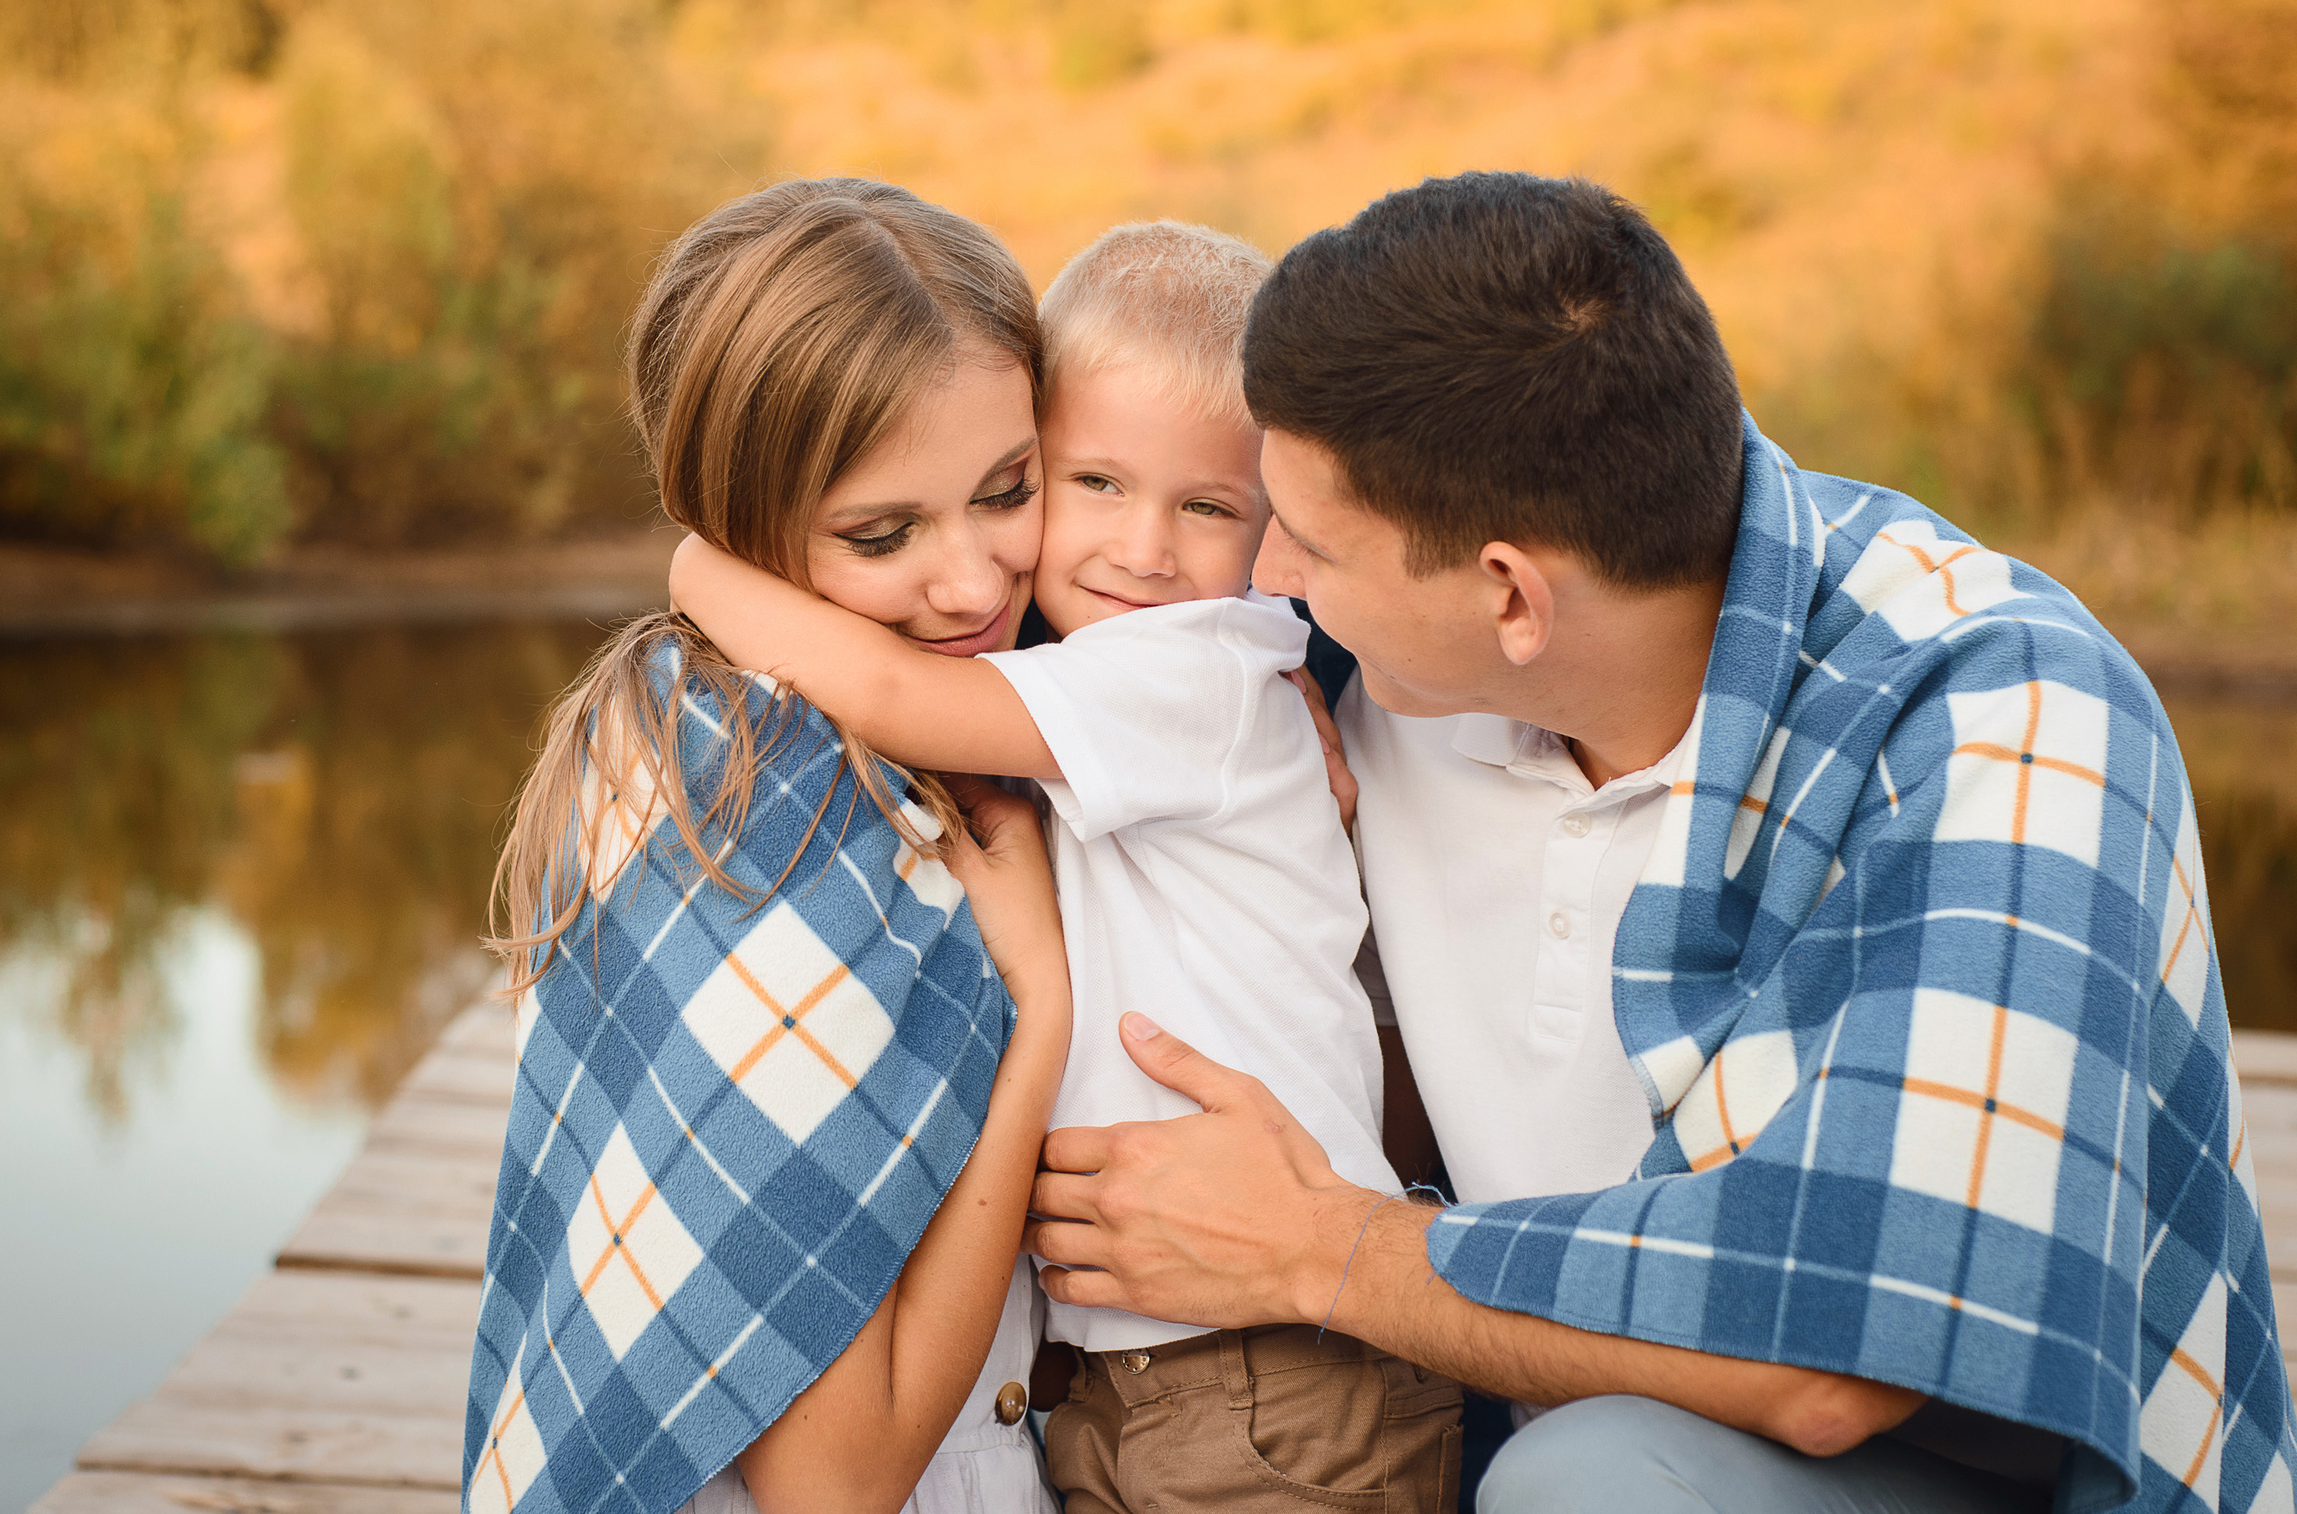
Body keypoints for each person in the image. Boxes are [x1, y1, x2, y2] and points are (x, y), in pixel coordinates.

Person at [1025, 172, 2297, 1513]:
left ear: (1512, 597)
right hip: (1500, 1369)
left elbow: (1839, 1364)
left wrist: (1319, 1250)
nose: (1264, 577)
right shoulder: (1384, 639)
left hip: (1942, 1462)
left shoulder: (2002, 718)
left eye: (1312, 545)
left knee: (1597, 1482)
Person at [670, 220, 1461, 1513]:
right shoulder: (1112, 673)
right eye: (1088, 484)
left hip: (1268, 1369)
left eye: (1208, 507)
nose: (1145, 549)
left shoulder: (1196, 670)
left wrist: (698, 555)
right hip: (1127, 1375)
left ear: (1277, 527)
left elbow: (888, 690)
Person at [461, 178, 1071, 1514]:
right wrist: (1036, 1017)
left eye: (1007, 491)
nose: (973, 583)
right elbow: (836, 1488)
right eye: (882, 533)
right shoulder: (762, 822)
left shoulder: (714, 713)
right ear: (743, 530)